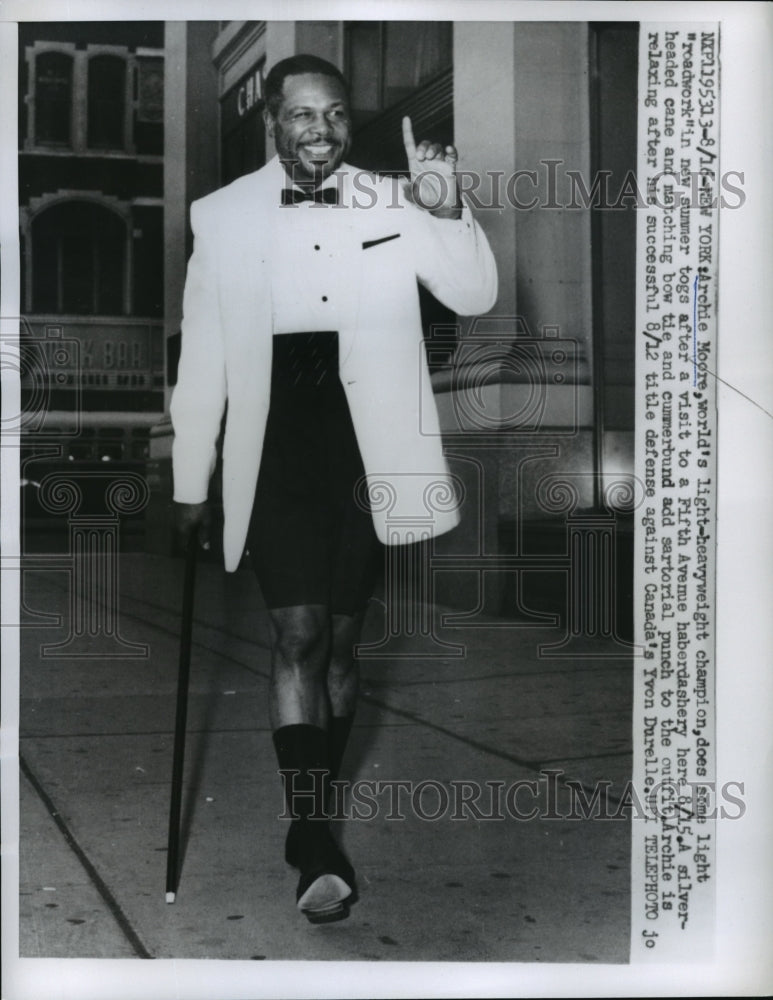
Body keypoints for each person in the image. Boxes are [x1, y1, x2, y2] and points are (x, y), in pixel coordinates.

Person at [171, 54, 497, 924]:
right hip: (274, 438)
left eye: (335, 115)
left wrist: (443, 207)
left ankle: (311, 816)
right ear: (274, 122)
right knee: (299, 634)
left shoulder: (393, 200)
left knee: (344, 645)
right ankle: (313, 835)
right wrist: (188, 476)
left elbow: (472, 292)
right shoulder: (223, 214)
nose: (320, 130)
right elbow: (202, 353)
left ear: (349, 123)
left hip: (367, 442)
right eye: (302, 115)